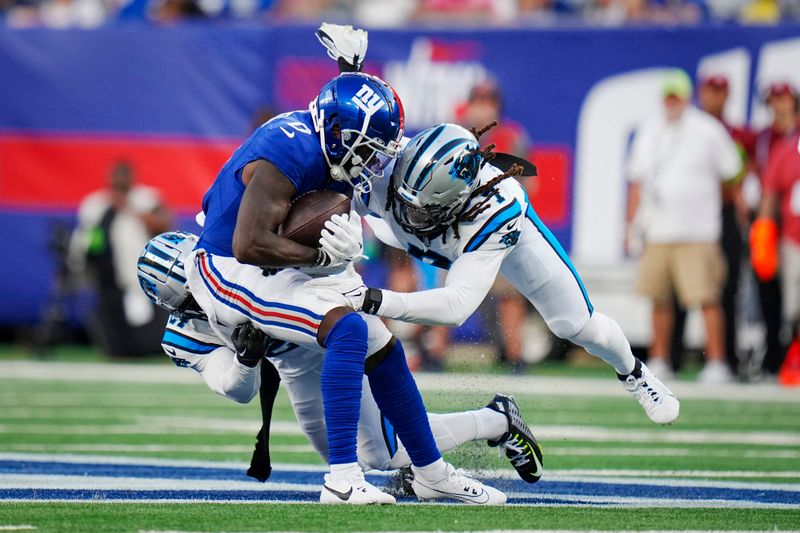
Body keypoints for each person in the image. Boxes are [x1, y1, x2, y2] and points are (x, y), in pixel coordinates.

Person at [152, 24, 514, 505]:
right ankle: (342, 480)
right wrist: (322, 256)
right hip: (229, 271)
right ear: (342, 138)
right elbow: (248, 244)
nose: (372, 163)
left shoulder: (329, 134)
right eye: (368, 150)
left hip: (283, 269)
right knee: (347, 331)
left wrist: (353, 71)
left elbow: (343, 114)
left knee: (379, 341)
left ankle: (432, 472)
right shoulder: (284, 152)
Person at [306, 122, 680, 425]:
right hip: (420, 234)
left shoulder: (496, 210)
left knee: (577, 326)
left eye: (419, 209)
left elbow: (455, 307)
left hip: (486, 244)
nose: (409, 214)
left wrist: (372, 298)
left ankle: (633, 372)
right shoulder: (387, 162)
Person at [137, 232, 542, 488]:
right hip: (296, 369)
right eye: (191, 296)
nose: (202, 294)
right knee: (362, 456)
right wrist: (245, 360)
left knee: (381, 454)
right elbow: (237, 390)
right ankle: (491, 422)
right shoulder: (184, 334)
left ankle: (494, 421)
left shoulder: (234, 256)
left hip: (332, 337)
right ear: (174, 305)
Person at [625, 69, 741, 384]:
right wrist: (631, 224)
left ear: (687, 97)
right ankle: (660, 359)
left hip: (697, 231)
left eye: (677, 95)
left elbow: (732, 171)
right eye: (668, 96)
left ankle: (717, 363)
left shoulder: (707, 130)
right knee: (659, 299)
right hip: (657, 231)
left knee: (706, 298)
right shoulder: (649, 130)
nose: (672, 101)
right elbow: (637, 182)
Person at [69, 160, 172, 357]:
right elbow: (86, 236)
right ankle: (117, 349)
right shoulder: (96, 203)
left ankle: (148, 349)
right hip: (106, 272)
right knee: (112, 315)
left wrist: (129, 207)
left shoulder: (145, 198)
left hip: (139, 270)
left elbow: (163, 224)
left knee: (144, 314)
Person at [752, 82, 799, 376]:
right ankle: (789, 359)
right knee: (793, 305)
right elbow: (769, 192)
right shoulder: (781, 146)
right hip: (793, 238)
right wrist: (764, 234)